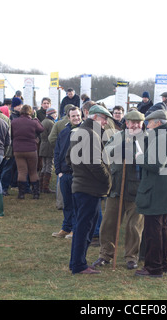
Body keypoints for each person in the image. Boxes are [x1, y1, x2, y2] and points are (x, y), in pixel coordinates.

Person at [92, 110, 147, 270]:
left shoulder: (148, 140)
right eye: (132, 122)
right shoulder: (117, 137)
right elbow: (105, 154)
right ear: (126, 123)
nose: (135, 125)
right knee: (108, 223)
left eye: (138, 122)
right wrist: (118, 150)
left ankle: (131, 257)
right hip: (116, 187)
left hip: (138, 190)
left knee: (134, 226)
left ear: (142, 124)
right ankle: (105, 255)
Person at [134, 109, 167, 277]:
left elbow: (154, 165)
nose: (147, 125)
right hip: (166, 189)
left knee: (153, 231)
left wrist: (139, 156)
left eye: (150, 122)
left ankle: (153, 267)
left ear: (159, 123)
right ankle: (161, 264)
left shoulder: (161, 138)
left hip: (157, 190)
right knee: (161, 228)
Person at [66, 105, 112, 274]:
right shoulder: (91, 134)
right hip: (89, 188)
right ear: (94, 118)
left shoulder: (79, 132)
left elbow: (67, 157)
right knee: (84, 228)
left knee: (81, 226)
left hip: (81, 186)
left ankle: (76, 262)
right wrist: (108, 180)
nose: (106, 122)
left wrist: (79, 172)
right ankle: (79, 265)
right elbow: (94, 163)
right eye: (103, 119)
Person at [52, 106, 83, 239]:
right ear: (68, 117)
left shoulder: (85, 132)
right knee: (67, 203)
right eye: (73, 116)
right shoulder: (64, 132)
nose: (76, 118)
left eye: (78, 115)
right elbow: (58, 152)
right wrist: (58, 171)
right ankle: (66, 227)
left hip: (78, 174)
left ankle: (75, 229)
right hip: (64, 174)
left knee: (77, 203)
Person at [11, 104, 44, 199]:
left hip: (18, 149)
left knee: (21, 171)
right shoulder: (33, 122)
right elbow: (41, 129)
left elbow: (11, 135)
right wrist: (36, 119)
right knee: (33, 172)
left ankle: (21, 194)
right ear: (30, 112)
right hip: (31, 149)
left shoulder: (14, 122)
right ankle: (36, 194)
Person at [39, 106, 57, 193]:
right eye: (54, 113)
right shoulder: (51, 123)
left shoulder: (43, 121)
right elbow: (52, 136)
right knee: (49, 166)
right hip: (49, 146)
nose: (56, 115)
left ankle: (41, 186)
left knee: (44, 166)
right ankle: (45, 188)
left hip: (43, 146)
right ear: (51, 114)